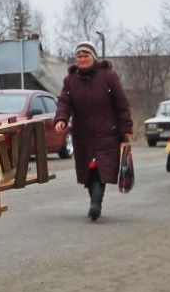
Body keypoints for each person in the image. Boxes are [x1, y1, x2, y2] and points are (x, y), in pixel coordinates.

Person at [52, 41, 134, 220]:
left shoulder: (108, 76)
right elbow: (64, 102)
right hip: (82, 135)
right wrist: (61, 119)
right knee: (88, 170)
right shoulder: (71, 80)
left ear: (93, 57)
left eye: (86, 56)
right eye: (79, 57)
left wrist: (126, 128)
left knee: (99, 168)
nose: (82, 59)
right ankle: (95, 201)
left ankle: (95, 203)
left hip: (107, 132)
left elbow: (122, 104)